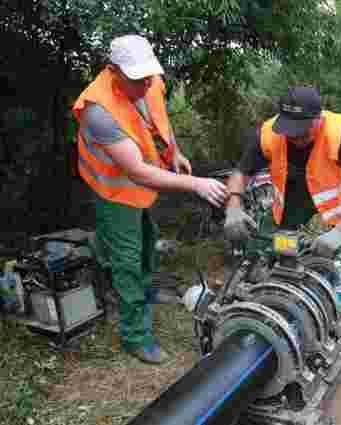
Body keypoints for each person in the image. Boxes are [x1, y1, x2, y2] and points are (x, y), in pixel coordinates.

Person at [223, 86, 341, 359]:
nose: (294, 137)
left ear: (317, 119)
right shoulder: (269, 134)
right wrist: (233, 206)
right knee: (260, 243)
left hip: (336, 200)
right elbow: (241, 173)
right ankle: (250, 298)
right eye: (289, 130)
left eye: (301, 130)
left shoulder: (338, 135)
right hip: (292, 198)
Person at [71, 35, 228, 364]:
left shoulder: (149, 80)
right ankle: (135, 336)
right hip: (115, 192)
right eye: (136, 79)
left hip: (141, 188)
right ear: (114, 71)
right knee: (127, 261)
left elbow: (158, 120)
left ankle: (133, 282)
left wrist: (176, 151)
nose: (145, 84)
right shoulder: (98, 110)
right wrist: (195, 183)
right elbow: (137, 171)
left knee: (146, 244)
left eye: (147, 77)